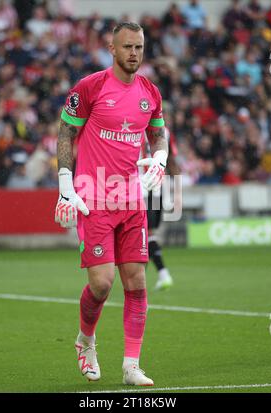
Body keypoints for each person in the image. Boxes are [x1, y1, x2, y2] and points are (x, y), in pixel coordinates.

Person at [54, 22, 168, 386]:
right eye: (127, 47)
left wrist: (161, 157)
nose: (134, 53)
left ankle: (131, 365)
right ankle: (85, 340)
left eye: (139, 47)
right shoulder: (90, 86)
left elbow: (157, 131)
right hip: (95, 197)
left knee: (136, 282)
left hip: (132, 199)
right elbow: (66, 131)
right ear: (112, 49)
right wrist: (64, 184)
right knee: (102, 284)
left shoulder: (150, 92)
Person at [139, 125, 179, 290]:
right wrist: (176, 190)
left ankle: (138, 283)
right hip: (158, 187)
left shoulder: (132, 128)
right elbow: (171, 160)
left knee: (141, 234)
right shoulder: (165, 130)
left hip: (140, 187)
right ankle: (162, 275)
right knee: (148, 234)